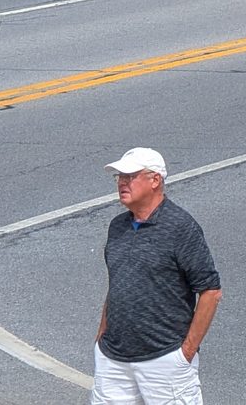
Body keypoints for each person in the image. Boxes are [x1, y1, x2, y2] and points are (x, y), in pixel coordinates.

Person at [92, 147, 222, 405]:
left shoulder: (180, 227)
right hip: (113, 360)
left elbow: (211, 291)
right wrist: (101, 337)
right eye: (119, 177)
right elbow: (117, 284)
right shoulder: (117, 226)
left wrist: (186, 352)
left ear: (155, 180)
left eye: (130, 176)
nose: (122, 183)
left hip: (164, 360)